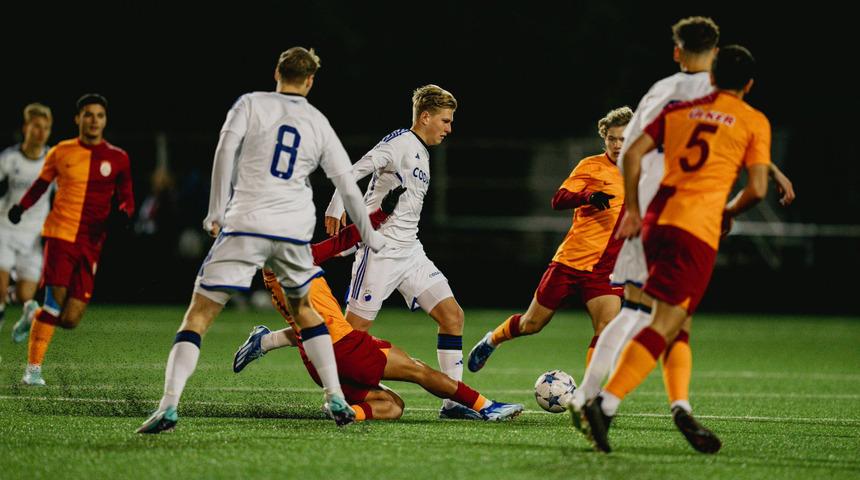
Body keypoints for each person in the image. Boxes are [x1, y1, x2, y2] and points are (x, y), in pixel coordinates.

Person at [570, 18, 795, 452]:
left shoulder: (667, 95)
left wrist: (633, 207)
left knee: (655, 313)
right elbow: (734, 136)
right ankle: (598, 400)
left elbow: (633, 148)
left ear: (678, 50)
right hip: (689, 219)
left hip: (651, 214)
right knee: (648, 314)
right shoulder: (725, 103)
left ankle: (668, 404)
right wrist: (766, 175)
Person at [137, 47, 386, 434]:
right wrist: (370, 235)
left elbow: (224, 151)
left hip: (246, 223)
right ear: (310, 81)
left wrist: (215, 210)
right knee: (307, 313)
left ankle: (168, 405)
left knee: (199, 315)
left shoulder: (250, 104)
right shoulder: (317, 120)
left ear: (276, 72)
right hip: (291, 230)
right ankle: (335, 395)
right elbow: (346, 184)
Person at [233, 186, 523, 422]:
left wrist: (382, 212)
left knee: (393, 405)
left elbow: (345, 239)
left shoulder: (283, 261)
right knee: (418, 370)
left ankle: (349, 412)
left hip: (317, 362)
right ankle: (486, 406)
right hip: (342, 349)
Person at [322, 85, 475, 419]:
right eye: (445, 121)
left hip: (411, 253)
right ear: (426, 116)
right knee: (350, 337)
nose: (449, 129)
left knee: (453, 317)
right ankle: (333, 391)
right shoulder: (400, 143)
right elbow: (355, 169)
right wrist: (337, 205)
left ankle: (454, 403)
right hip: (380, 253)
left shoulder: (422, 151)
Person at [467, 107, 632, 372]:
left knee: (607, 331)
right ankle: (492, 339)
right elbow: (558, 199)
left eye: (623, 139)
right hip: (570, 261)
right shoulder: (591, 166)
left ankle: (589, 397)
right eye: (612, 138)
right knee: (531, 324)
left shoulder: (642, 172)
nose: (617, 144)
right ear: (605, 139)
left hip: (604, 271)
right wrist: (587, 196)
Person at [7, 94, 134, 385]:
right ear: (77, 119)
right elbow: (41, 185)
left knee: (71, 319)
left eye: (99, 115)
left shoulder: (118, 158)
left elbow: (127, 198)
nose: (93, 121)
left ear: (105, 120)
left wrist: (125, 215)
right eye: (88, 115)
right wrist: (20, 208)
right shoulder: (61, 152)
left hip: (92, 243)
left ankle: (32, 314)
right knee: (55, 302)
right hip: (60, 236)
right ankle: (33, 370)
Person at [0, 103, 52, 345]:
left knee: (25, 296)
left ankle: (21, 312)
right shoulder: (9, 159)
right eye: (36, 127)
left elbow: (65, 196)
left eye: (45, 128)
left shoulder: (53, 161)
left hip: (33, 237)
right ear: (25, 128)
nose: (40, 132)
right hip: (4, 230)